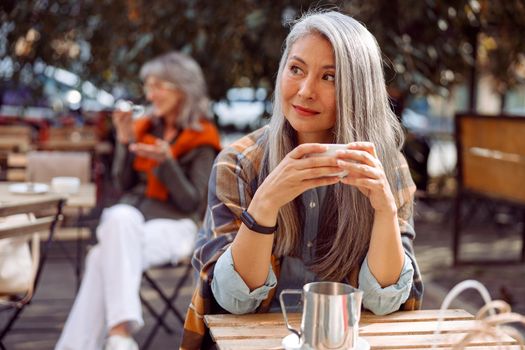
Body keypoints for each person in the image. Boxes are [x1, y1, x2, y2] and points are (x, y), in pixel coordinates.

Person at [181, 10, 424, 349]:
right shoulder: (239, 163)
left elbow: (384, 302)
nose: (306, 91)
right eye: (296, 69)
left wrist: (384, 211)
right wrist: (265, 204)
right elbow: (232, 302)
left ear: (358, 89)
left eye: (330, 77)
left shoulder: (385, 167)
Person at [56, 52, 221, 350]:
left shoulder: (202, 138)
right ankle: (120, 336)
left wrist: (167, 164)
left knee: (101, 255)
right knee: (120, 217)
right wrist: (123, 140)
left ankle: (88, 343)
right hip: (131, 224)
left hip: (177, 227)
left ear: (182, 88)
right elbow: (124, 184)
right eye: (148, 86)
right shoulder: (146, 129)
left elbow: (193, 204)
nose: (150, 94)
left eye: (158, 85)